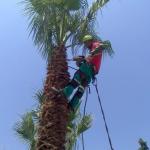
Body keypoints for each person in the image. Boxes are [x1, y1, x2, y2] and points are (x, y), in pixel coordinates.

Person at [52, 35, 108, 111]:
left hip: (86, 69)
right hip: (90, 74)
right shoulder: (92, 50)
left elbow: (101, 47)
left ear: (90, 41)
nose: (85, 45)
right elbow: (80, 64)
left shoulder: (95, 44)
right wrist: (79, 60)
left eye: (86, 43)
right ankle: (71, 106)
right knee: (81, 90)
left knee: (74, 82)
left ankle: (64, 94)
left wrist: (91, 54)